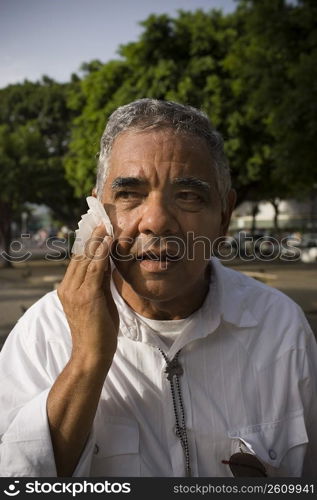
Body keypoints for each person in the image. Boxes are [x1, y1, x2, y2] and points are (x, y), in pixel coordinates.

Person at [0, 99, 316, 478]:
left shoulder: (280, 327)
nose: (157, 221)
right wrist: (87, 358)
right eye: (129, 195)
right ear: (98, 211)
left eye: (188, 196)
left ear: (224, 216)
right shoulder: (43, 335)